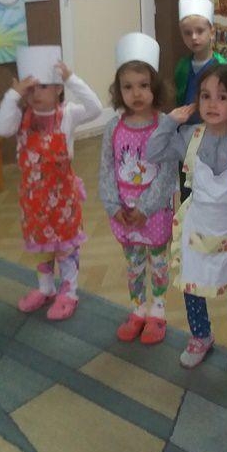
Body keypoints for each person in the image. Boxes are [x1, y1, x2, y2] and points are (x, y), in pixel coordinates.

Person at [145, 64, 227, 373]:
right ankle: (200, 335)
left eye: (222, 97)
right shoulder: (188, 136)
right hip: (197, 224)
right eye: (205, 96)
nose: (212, 104)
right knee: (192, 280)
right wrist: (169, 122)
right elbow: (152, 153)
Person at [0, 45, 102, 320]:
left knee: (65, 247)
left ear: (58, 88)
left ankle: (69, 293)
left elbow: (96, 108)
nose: (35, 93)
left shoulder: (69, 114)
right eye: (30, 88)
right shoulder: (21, 117)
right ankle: (46, 288)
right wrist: (13, 94)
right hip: (33, 199)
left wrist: (71, 78)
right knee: (41, 247)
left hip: (63, 197)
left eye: (42, 86)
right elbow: (1, 129)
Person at [99, 33, 176, 345]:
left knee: (158, 262)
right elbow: (106, 168)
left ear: (155, 86)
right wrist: (113, 205)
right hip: (123, 212)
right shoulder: (113, 128)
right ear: (119, 90)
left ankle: (157, 311)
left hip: (153, 212)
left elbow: (167, 173)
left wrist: (146, 207)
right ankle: (138, 309)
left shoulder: (164, 125)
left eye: (143, 85)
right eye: (128, 86)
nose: (136, 93)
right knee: (133, 265)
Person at [174, 0, 227, 118]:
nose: (194, 37)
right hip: (186, 125)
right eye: (188, 33)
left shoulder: (222, 66)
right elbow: (179, 99)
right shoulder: (182, 66)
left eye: (200, 31)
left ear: (212, 32)